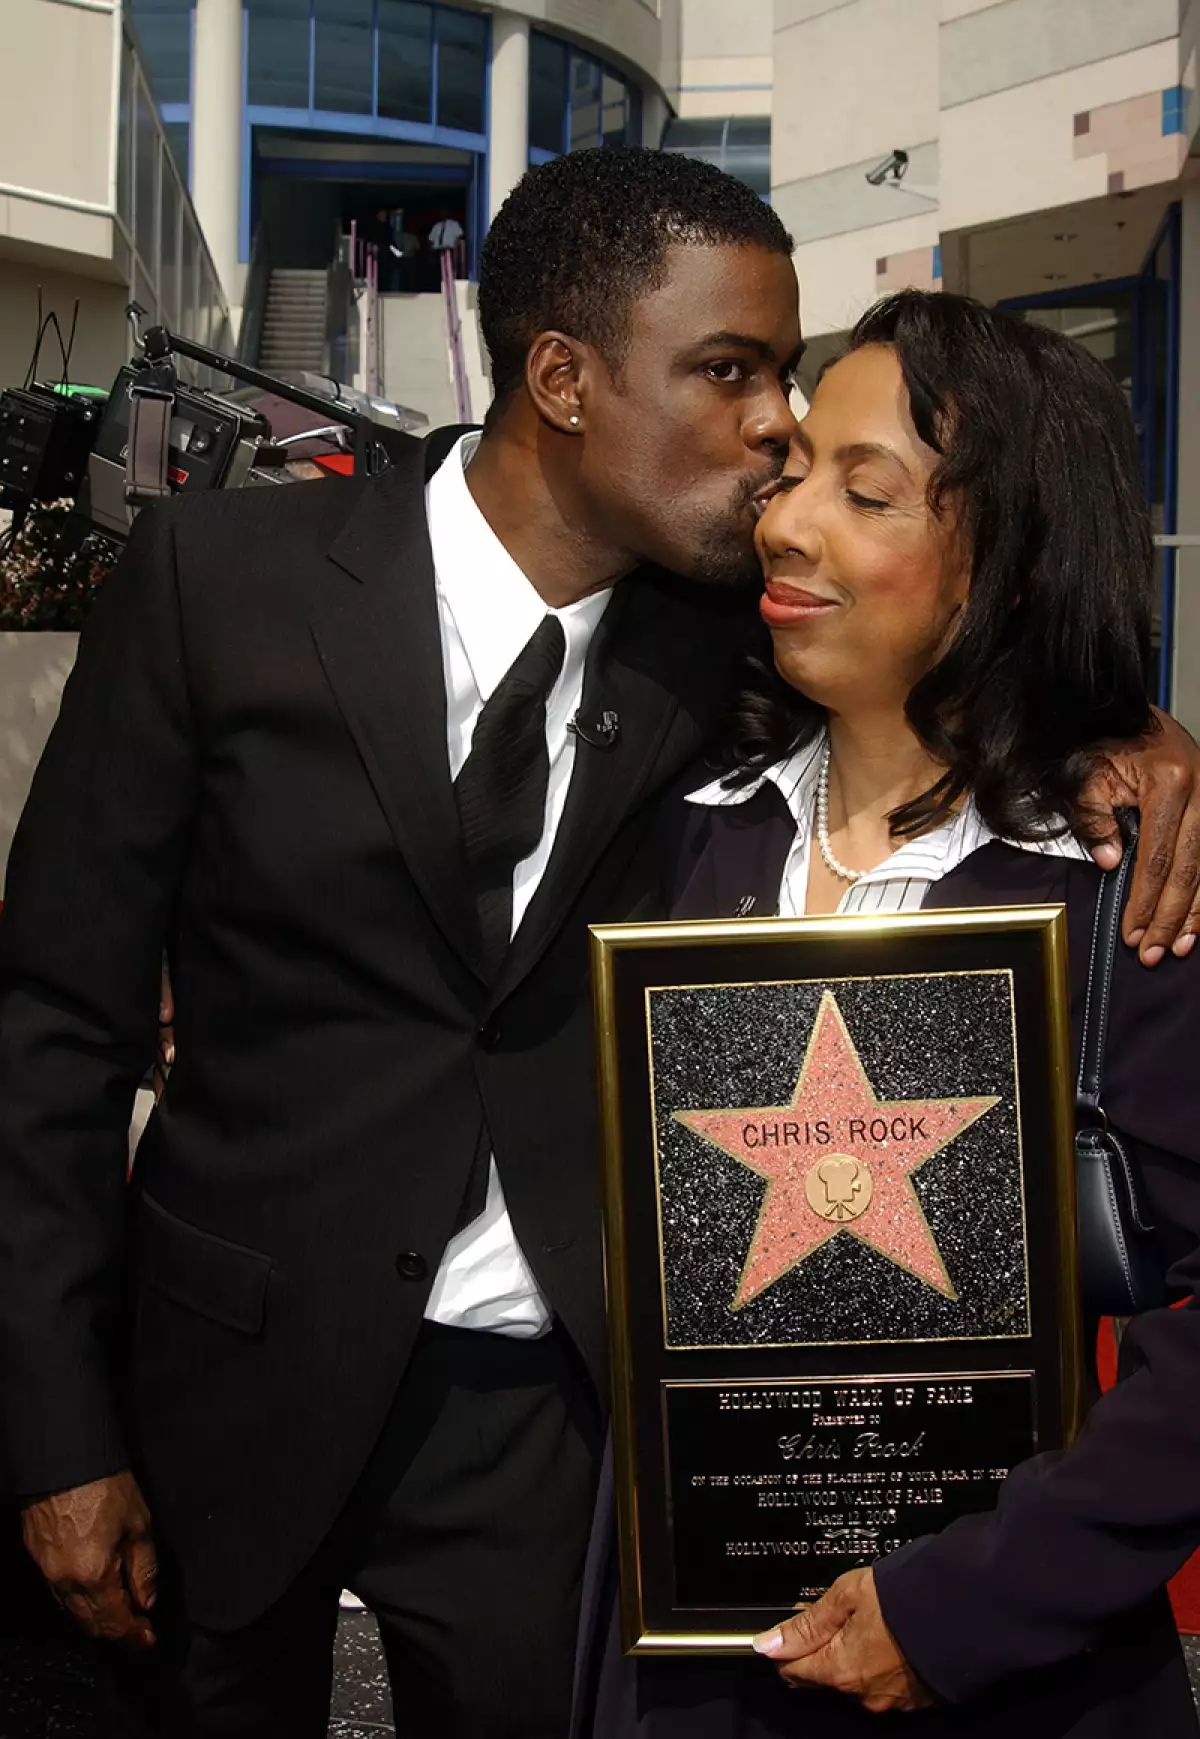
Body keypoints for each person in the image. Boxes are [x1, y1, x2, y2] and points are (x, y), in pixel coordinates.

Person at [0, 154, 1196, 1739]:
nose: (775, 437)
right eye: (733, 372)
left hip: (561, 1439)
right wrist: (56, 1427)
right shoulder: (221, 586)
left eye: (793, 389)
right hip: (231, 1391)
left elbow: (974, 628)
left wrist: (1124, 734)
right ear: (562, 378)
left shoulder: (727, 655)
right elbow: (52, 1026)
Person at [581, 290, 1200, 1739]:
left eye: (867, 495)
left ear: (1013, 563)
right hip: (693, 1668)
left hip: (1008, 1676)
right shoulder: (676, 840)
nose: (789, 524)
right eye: (795, 471)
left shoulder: (1127, 890)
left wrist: (964, 1604)